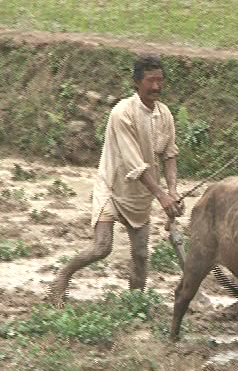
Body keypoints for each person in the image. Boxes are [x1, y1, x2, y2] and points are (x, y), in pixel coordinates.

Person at [48, 56, 184, 307]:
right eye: (150, 81)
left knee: (141, 255)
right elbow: (135, 164)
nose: (156, 87)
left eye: (160, 81)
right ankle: (62, 277)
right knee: (102, 247)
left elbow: (170, 154)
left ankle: (134, 304)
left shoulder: (165, 114)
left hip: (140, 195)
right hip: (112, 187)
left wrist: (173, 191)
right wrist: (162, 196)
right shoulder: (123, 113)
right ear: (137, 82)